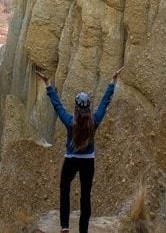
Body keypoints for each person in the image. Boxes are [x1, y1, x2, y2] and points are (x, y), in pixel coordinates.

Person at [36, 66, 122, 233]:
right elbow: (104, 102)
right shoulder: (94, 121)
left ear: (75, 108)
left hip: (71, 160)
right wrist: (112, 82)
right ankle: (83, 230)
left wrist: (48, 84)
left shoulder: (70, 122)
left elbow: (57, 106)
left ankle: (65, 227)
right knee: (85, 197)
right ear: (89, 108)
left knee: (64, 189)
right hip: (88, 162)